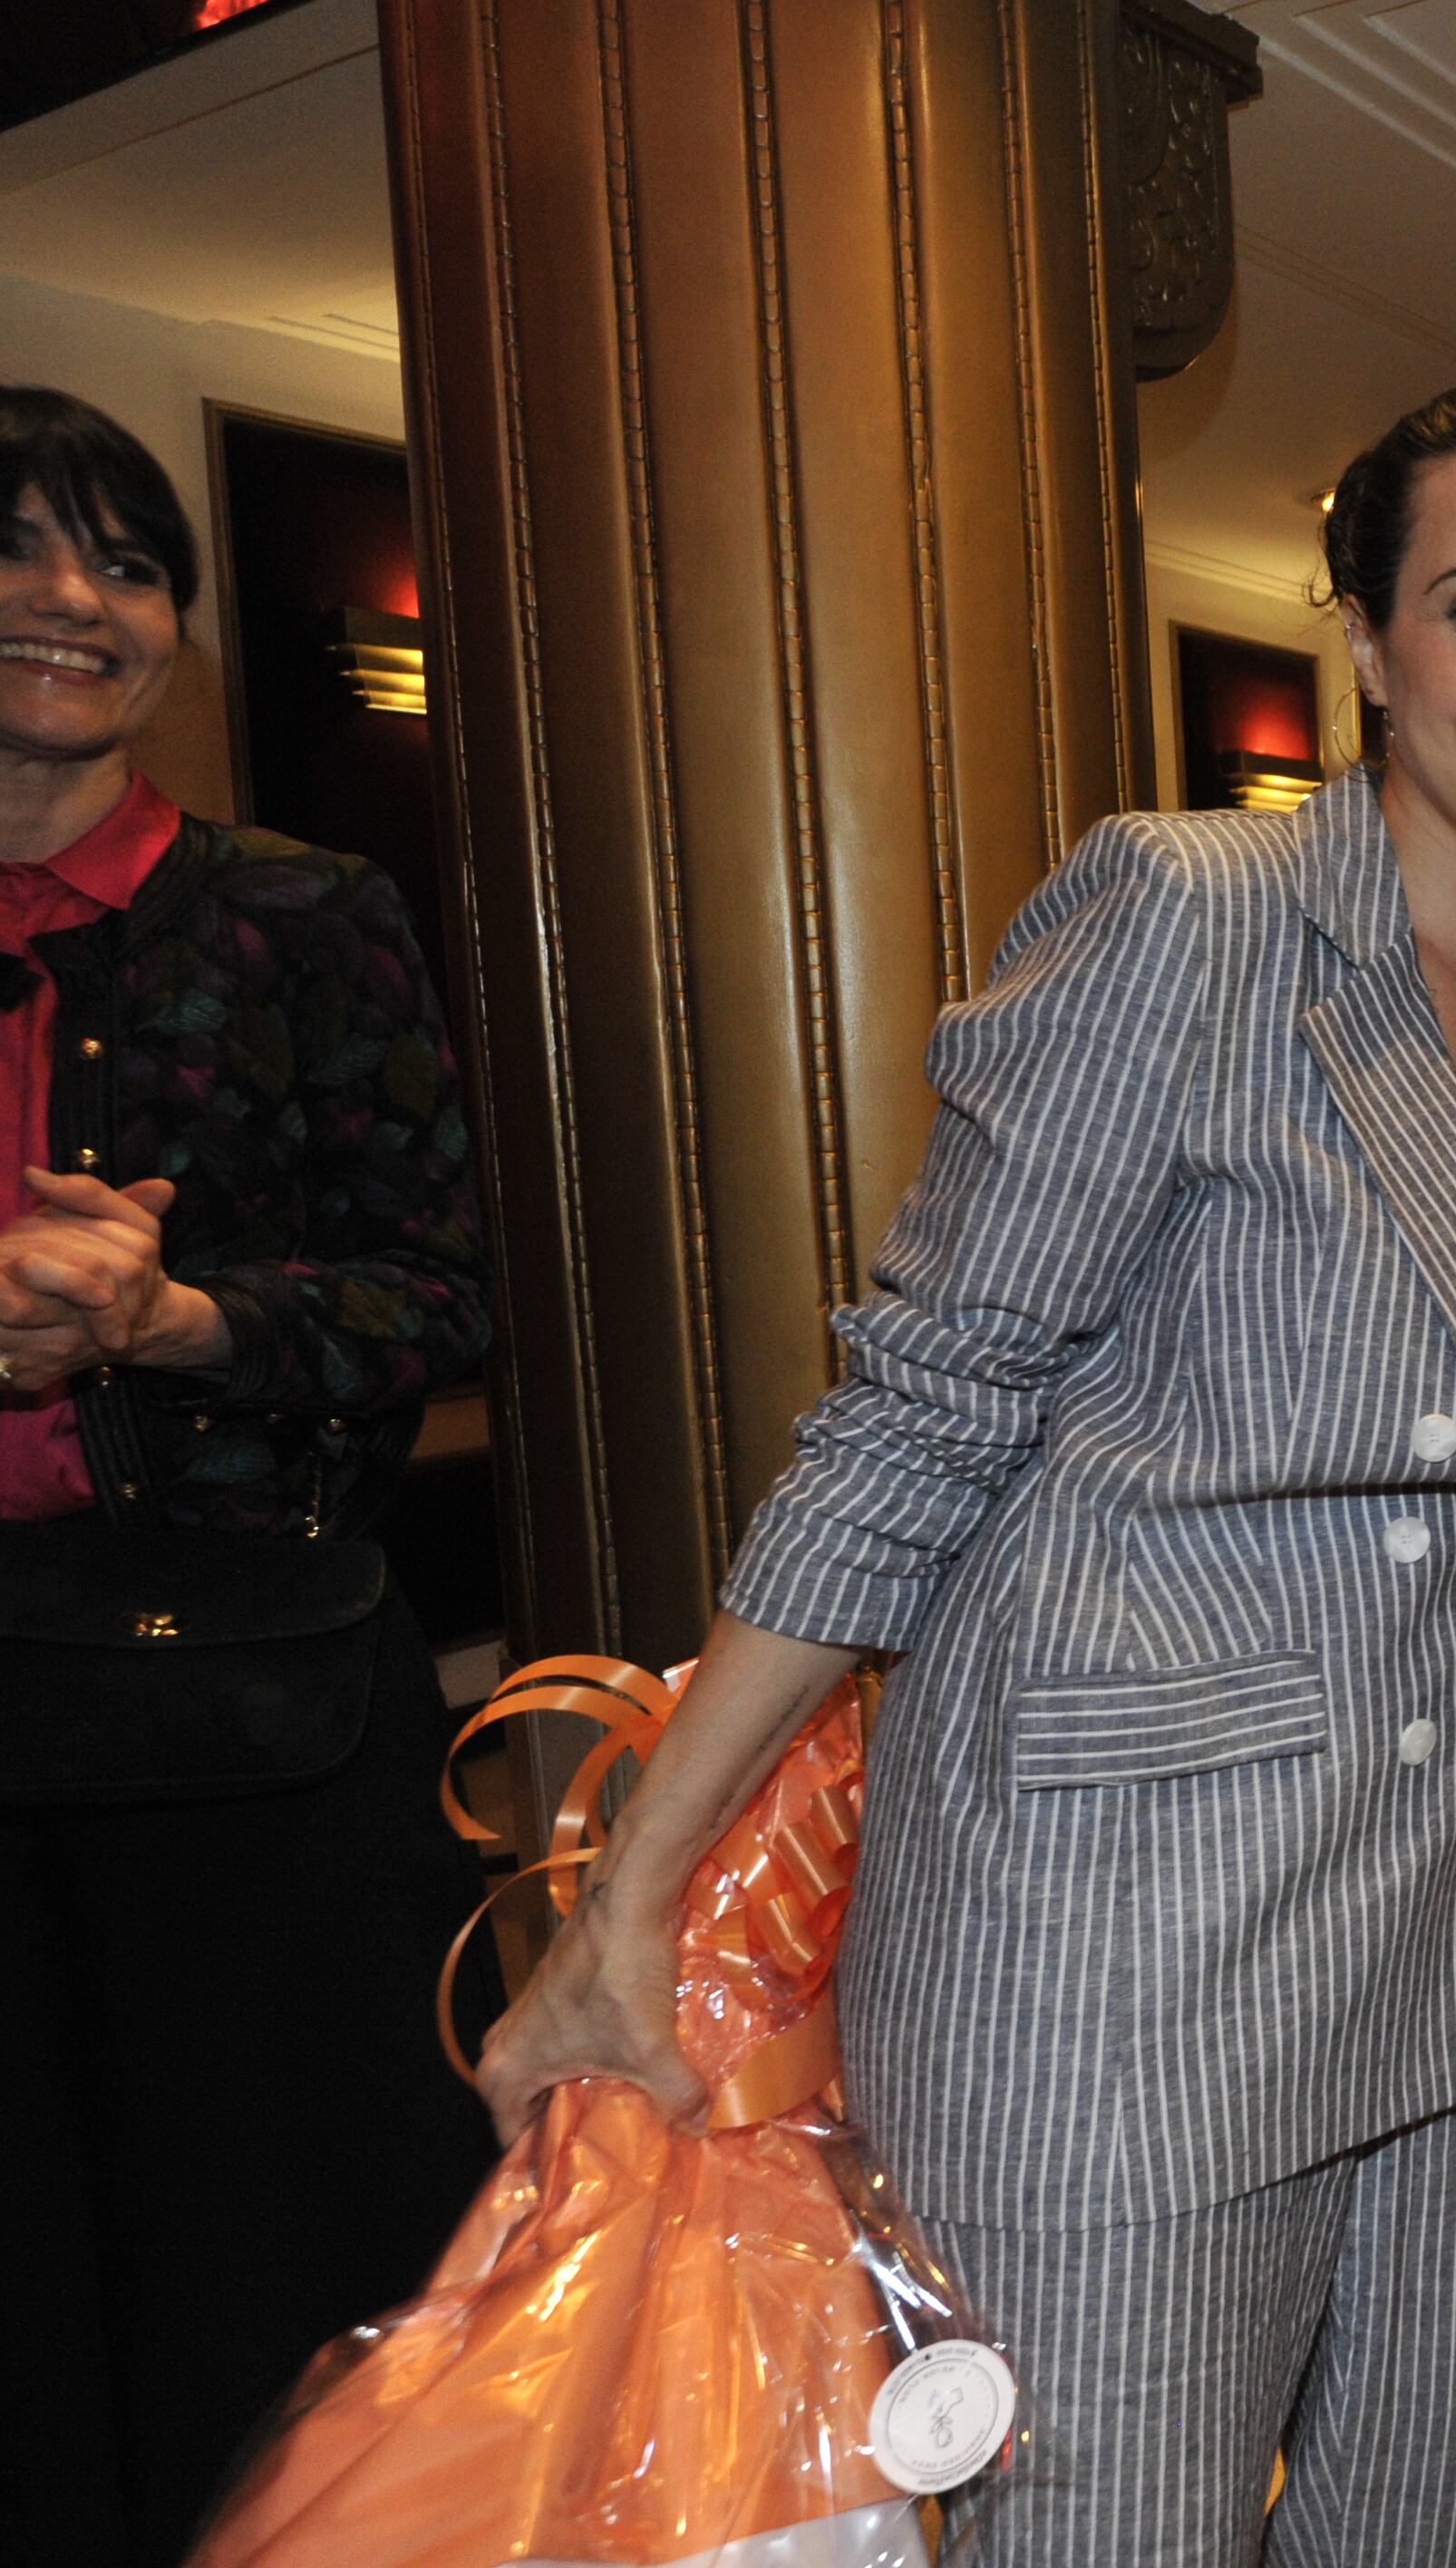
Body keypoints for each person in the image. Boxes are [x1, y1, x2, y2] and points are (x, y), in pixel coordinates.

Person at [475, 379, 1456, 2566]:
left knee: (1435, 2532)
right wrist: (633, 1889)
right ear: (1369, 642)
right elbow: (917, 1409)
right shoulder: (1186, 916)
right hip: (1119, 1953)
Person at [0, 385, 497, 2567]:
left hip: (257, 1731)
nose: (68, 598)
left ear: (176, 635)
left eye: (123, 559)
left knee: (280, 2288)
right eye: (17, 545)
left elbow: (439, 1301)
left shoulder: (301, 916)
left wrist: (168, 1320)